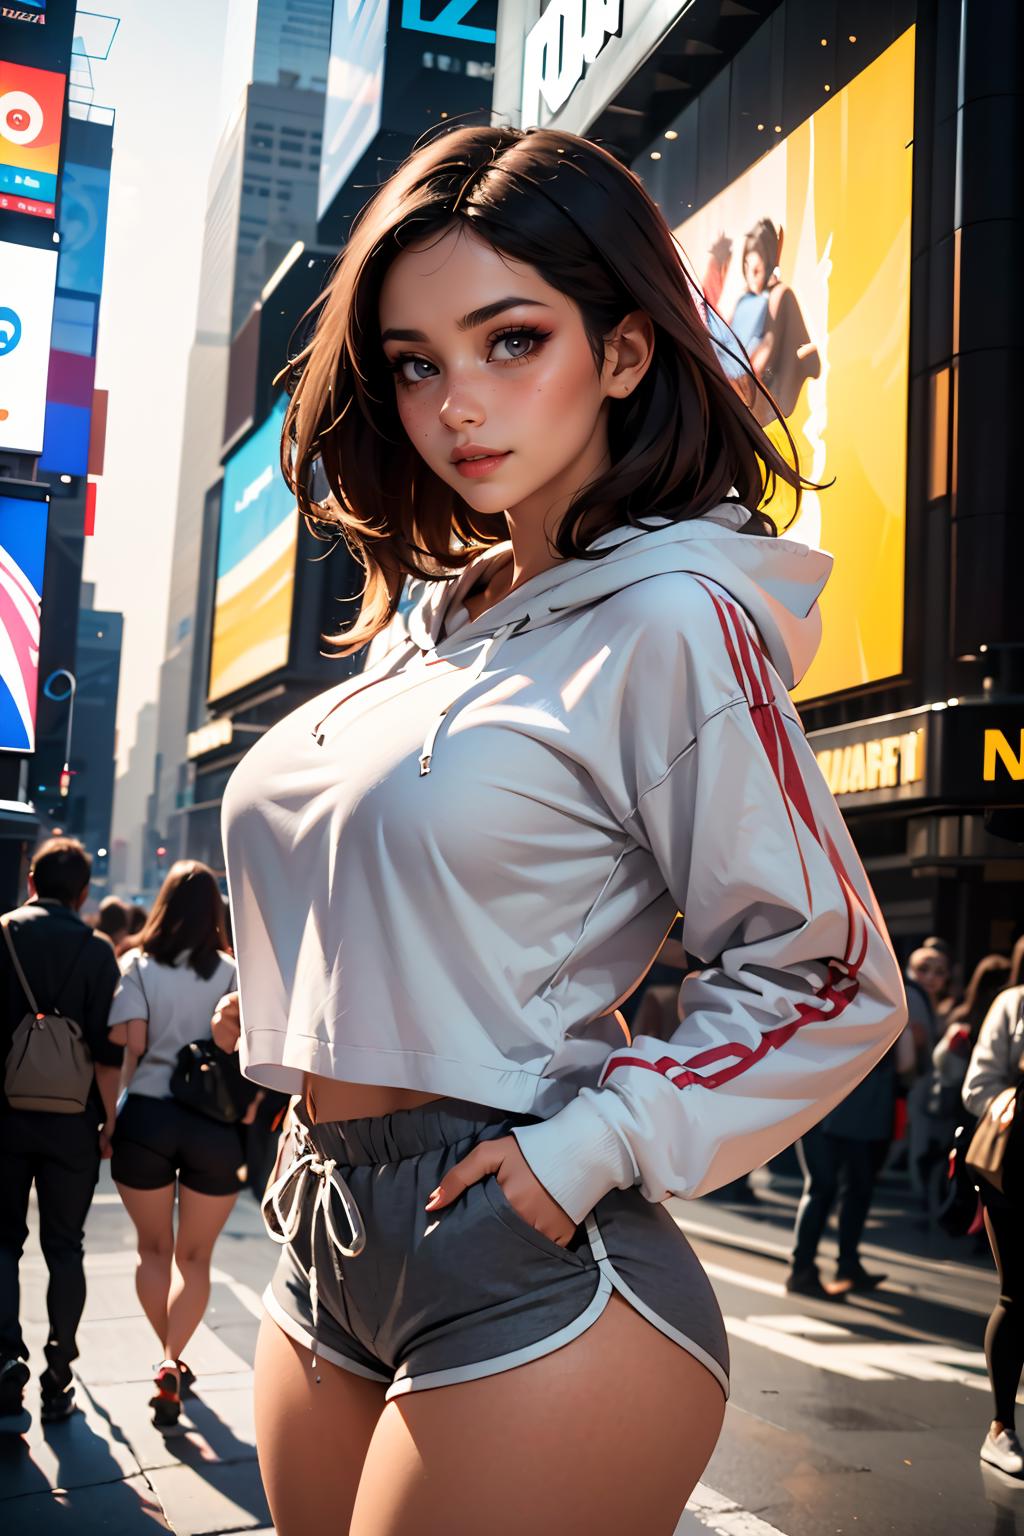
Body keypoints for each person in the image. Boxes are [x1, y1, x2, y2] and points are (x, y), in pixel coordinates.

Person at [220, 125, 906, 1534]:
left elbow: (832, 974)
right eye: (415, 362)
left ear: (627, 352)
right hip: (320, 1215)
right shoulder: (428, 627)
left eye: (511, 340)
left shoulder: (677, 616)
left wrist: (582, 1153)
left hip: (521, 1243)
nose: (457, 404)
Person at [106, 861, 242, 1428]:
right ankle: (172, 1359)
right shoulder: (235, 971)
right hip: (214, 1124)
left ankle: (167, 1359)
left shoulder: (135, 964)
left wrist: (110, 1121)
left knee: (154, 1251)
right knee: (195, 1257)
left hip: (147, 1115)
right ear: (215, 910)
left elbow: (125, 1042)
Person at [0, 838, 122, 1429]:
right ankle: (58, 1374)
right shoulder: (98, 952)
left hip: (3, 1116)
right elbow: (105, 1051)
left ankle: (4, 1363)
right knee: (64, 1247)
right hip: (74, 1121)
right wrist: (111, 1120)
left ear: (31, 881)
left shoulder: (2, 933)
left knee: (2, 1243)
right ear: (83, 892)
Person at [963, 980, 1024, 1477]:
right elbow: (977, 1087)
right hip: (1015, 1168)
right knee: (1017, 1298)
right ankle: (1001, 1426)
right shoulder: (1015, 1002)